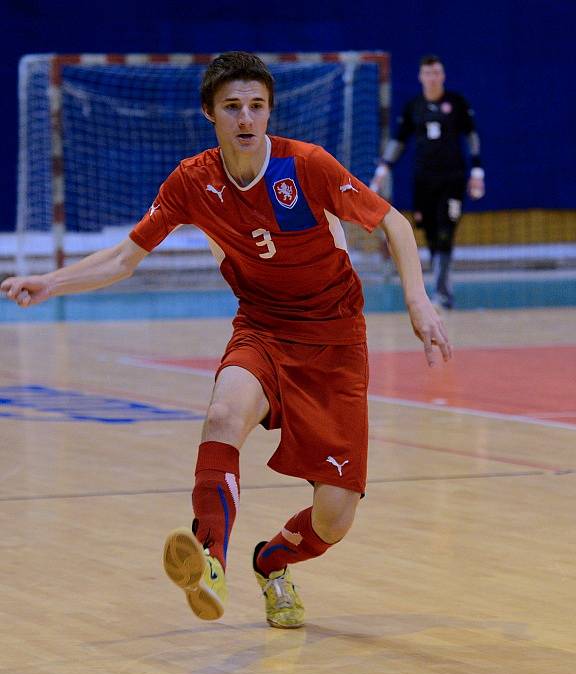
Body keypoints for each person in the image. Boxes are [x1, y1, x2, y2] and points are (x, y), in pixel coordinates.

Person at [2, 51, 451, 629]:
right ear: (210, 115)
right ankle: (211, 559)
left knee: (335, 517)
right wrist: (51, 282)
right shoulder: (193, 181)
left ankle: (272, 561)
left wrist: (418, 299)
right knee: (221, 417)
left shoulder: (305, 166)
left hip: (335, 338)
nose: (246, 118)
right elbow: (124, 256)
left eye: (257, 107)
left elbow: (393, 221)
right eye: (233, 107)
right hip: (261, 327)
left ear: (270, 113)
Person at [370, 54, 485, 309]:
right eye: (428, 73)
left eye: (437, 73)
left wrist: (477, 172)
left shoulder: (456, 103)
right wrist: (383, 169)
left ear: (442, 76)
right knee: (432, 234)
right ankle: (441, 286)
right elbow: (398, 142)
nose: (433, 78)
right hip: (423, 182)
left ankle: (443, 293)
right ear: (421, 77)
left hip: (452, 179)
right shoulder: (414, 107)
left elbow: (471, 135)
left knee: (446, 232)